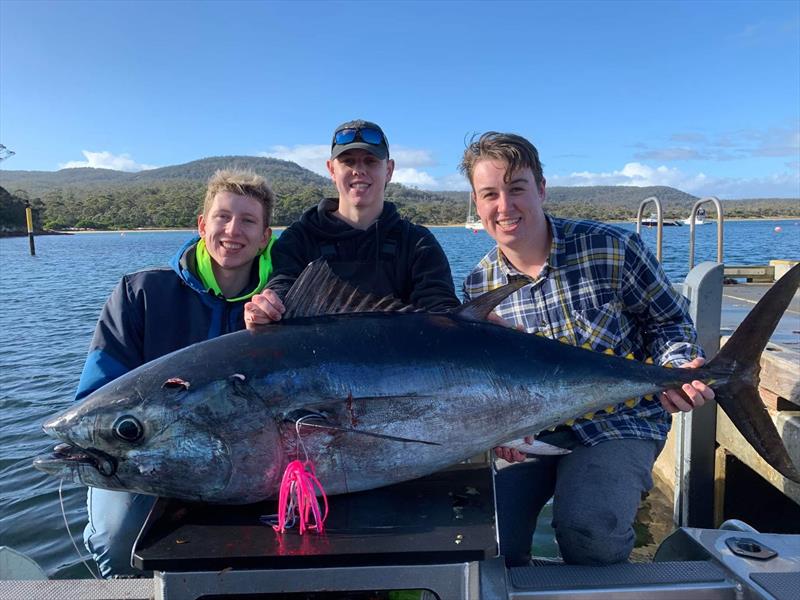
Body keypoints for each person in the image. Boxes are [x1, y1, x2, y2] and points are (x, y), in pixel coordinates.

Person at [459, 132, 714, 566]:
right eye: (490, 195)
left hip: (620, 421)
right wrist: (498, 433)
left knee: (589, 532)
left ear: (541, 189)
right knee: (488, 543)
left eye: (517, 188)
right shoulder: (478, 288)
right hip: (532, 435)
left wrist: (676, 367)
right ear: (477, 204)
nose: (505, 206)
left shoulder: (610, 248)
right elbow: (487, 381)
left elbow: (668, 321)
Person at [77, 169, 275, 577]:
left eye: (248, 221)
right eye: (222, 217)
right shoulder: (140, 294)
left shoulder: (282, 302)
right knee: (115, 541)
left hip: (252, 452)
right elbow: (96, 395)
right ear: (203, 226)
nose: (232, 230)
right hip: (141, 454)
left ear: (265, 236)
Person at [245, 119, 459, 326]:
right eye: (348, 161)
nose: (359, 170)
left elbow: (441, 308)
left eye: (370, 160)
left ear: (389, 170)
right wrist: (268, 307)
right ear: (331, 170)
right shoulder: (299, 239)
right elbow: (283, 286)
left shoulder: (417, 243)